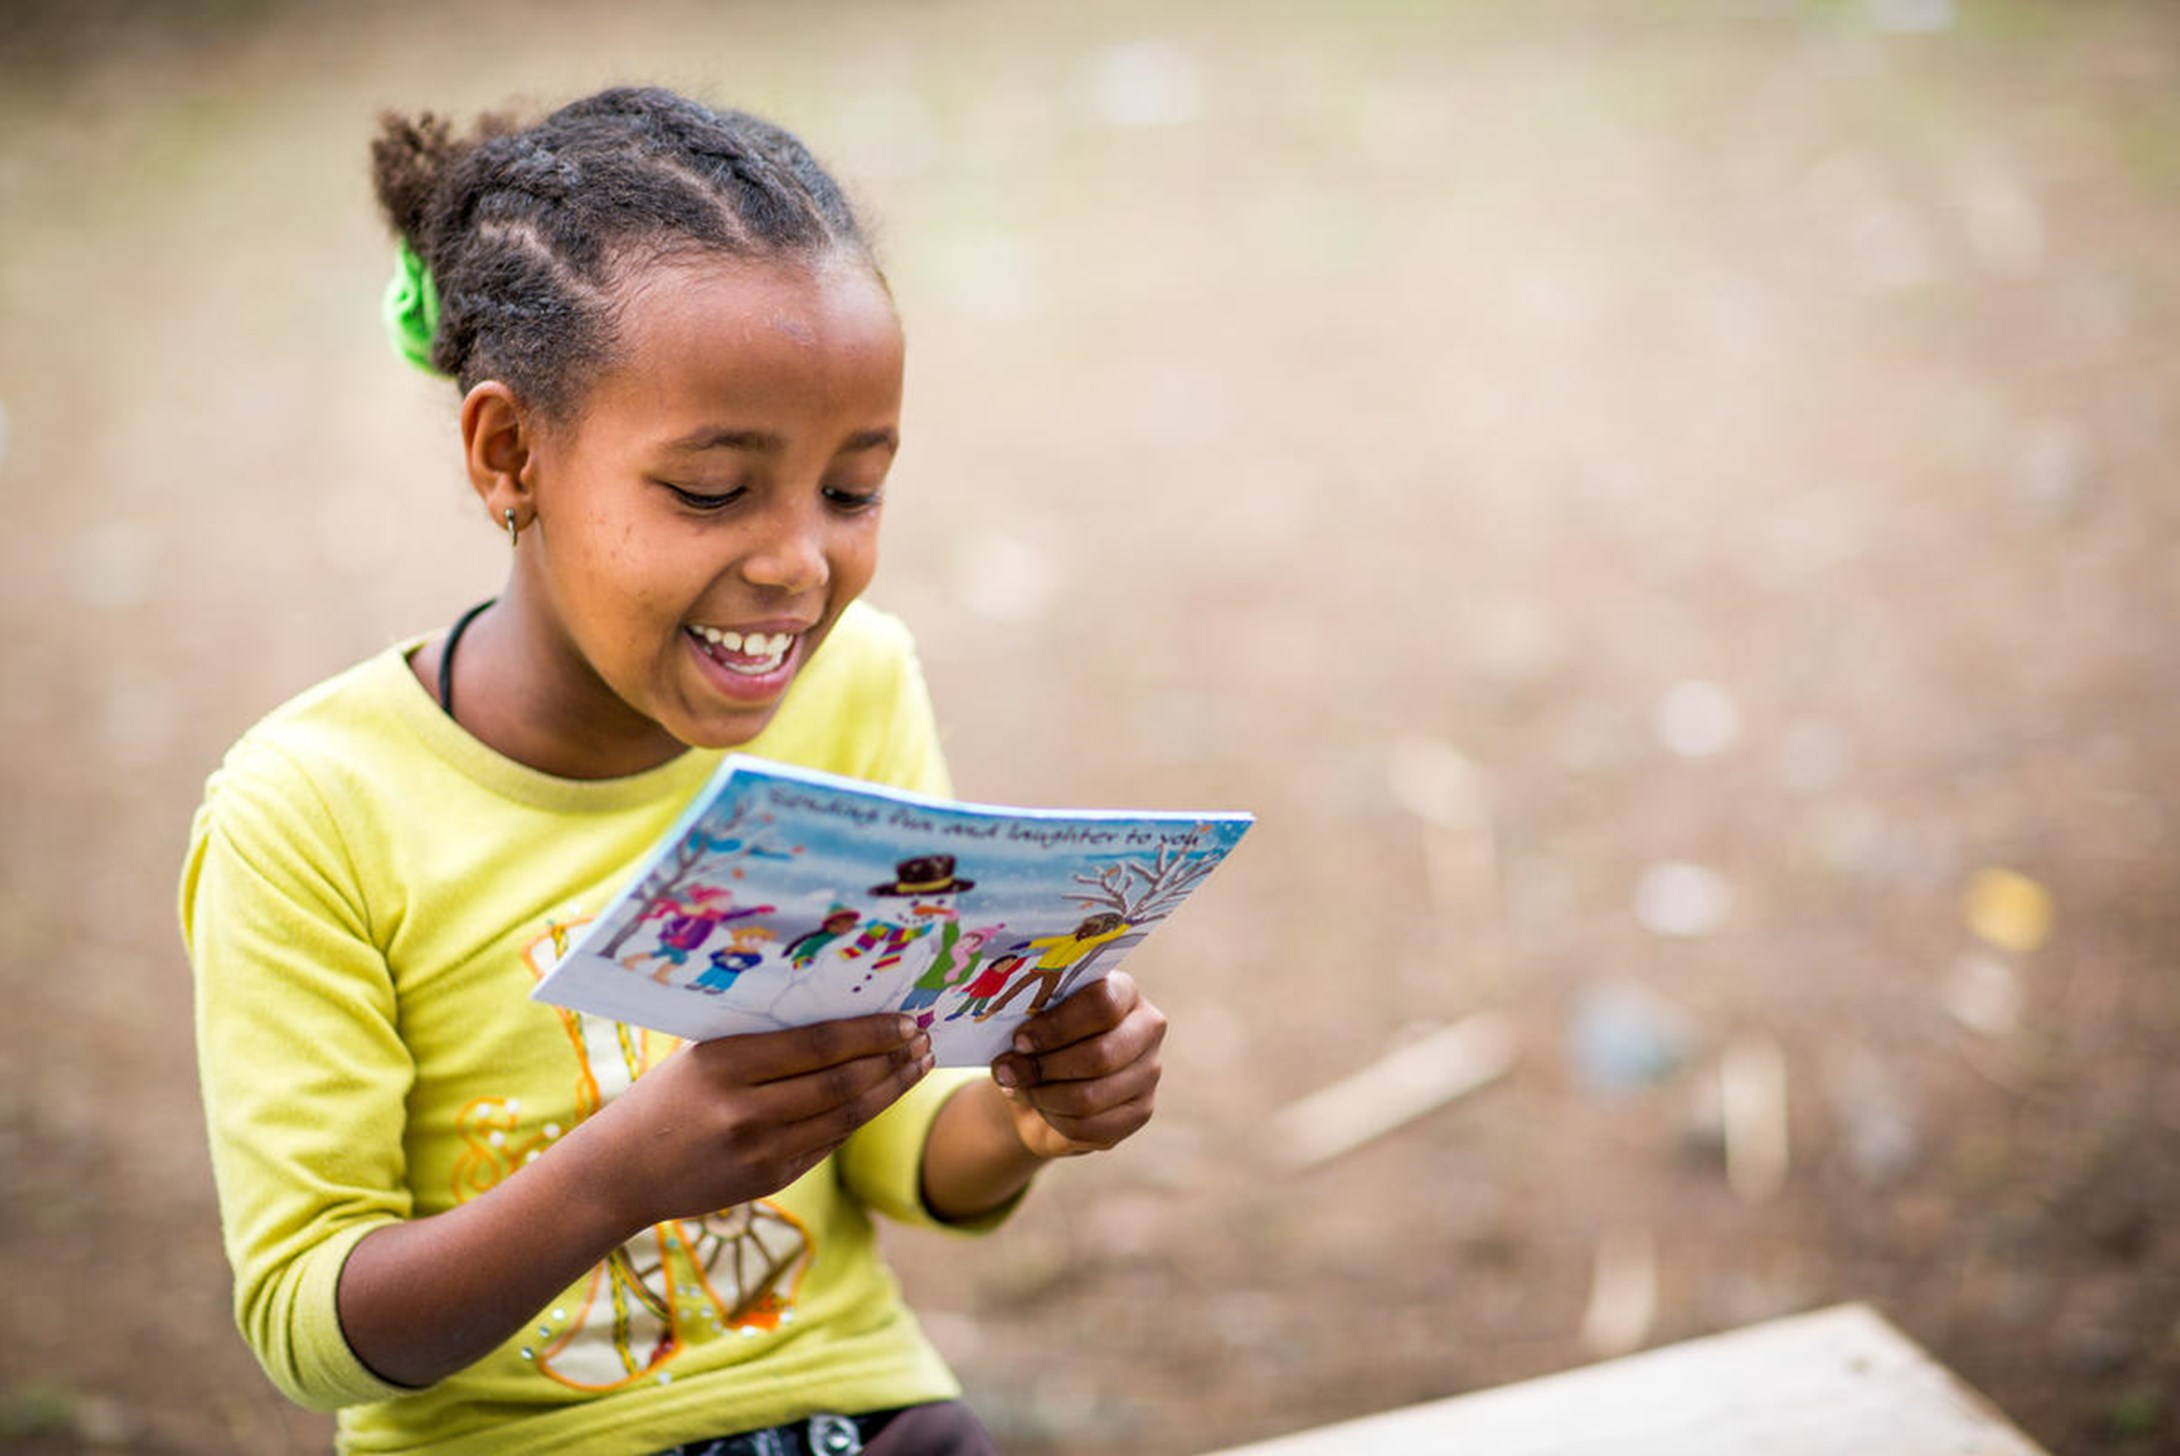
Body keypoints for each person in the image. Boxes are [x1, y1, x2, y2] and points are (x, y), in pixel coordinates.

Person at [179, 87, 1168, 1456]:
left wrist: (1029, 1118)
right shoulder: (312, 816)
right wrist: (617, 1180)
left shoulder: (855, 687)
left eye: (854, 488)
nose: (797, 565)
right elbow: (313, 1331)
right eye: (712, 492)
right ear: (508, 452)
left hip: (860, 1414)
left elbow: (895, 1140)